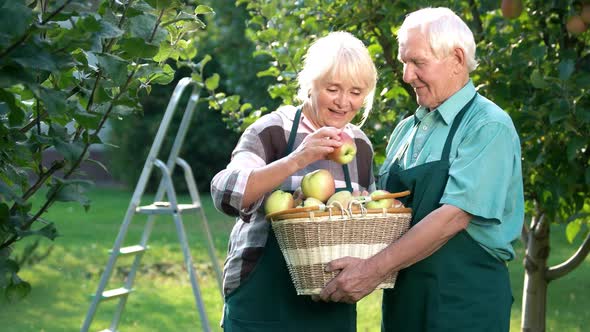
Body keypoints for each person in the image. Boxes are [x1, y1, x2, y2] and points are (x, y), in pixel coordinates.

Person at [319, 7, 524, 332]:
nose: (406, 75)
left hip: (464, 303)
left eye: (417, 63)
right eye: (404, 62)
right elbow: (384, 207)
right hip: (405, 302)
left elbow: (452, 217)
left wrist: (371, 270)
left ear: (457, 58)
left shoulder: (487, 126)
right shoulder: (406, 130)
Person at [210, 31, 378, 331]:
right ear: (309, 85)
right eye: (333, 88)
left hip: (332, 302)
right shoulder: (273, 130)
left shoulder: (360, 146)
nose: (343, 102)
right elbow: (226, 193)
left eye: (355, 92)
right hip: (263, 301)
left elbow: (369, 224)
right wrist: (298, 158)